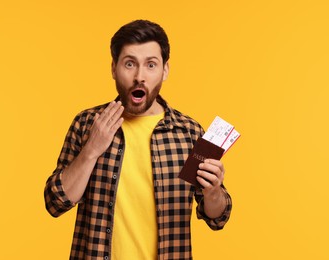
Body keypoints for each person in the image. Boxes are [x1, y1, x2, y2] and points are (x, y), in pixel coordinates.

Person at [44, 19, 232, 260]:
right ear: (113, 68)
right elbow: (55, 202)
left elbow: (217, 218)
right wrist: (91, 150)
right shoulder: (87, 124)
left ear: (165, 70)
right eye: (130, 64)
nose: (139, 76)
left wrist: (213, 192)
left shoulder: (189, 133)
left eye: (151, 65)